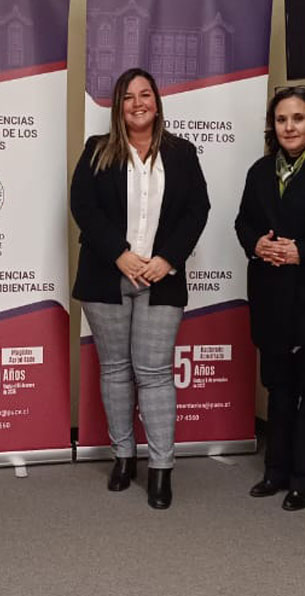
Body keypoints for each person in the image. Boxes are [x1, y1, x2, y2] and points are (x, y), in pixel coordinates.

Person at [71, 68, 209, 509]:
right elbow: (83, 207)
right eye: (127, 96)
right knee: (114, 369)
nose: (137, 103)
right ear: (117, 105)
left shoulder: (182, 153)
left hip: (161, 279)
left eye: (144, 94)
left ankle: (161, 468)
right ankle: (124, 458)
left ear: (157, 101)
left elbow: (197, 210)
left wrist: (167, 259)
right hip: (107, 277)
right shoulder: (97, 151)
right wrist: (120, 253)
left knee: (153, 374)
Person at [235, 86, 305, 512]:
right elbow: (243, 221)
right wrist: (256, 244)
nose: (289, 127)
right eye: (281, 120)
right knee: (277, 387)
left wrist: (303, 251)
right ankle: (275, 470)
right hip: (270, 295)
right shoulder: (260, 171)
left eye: (298, 118)